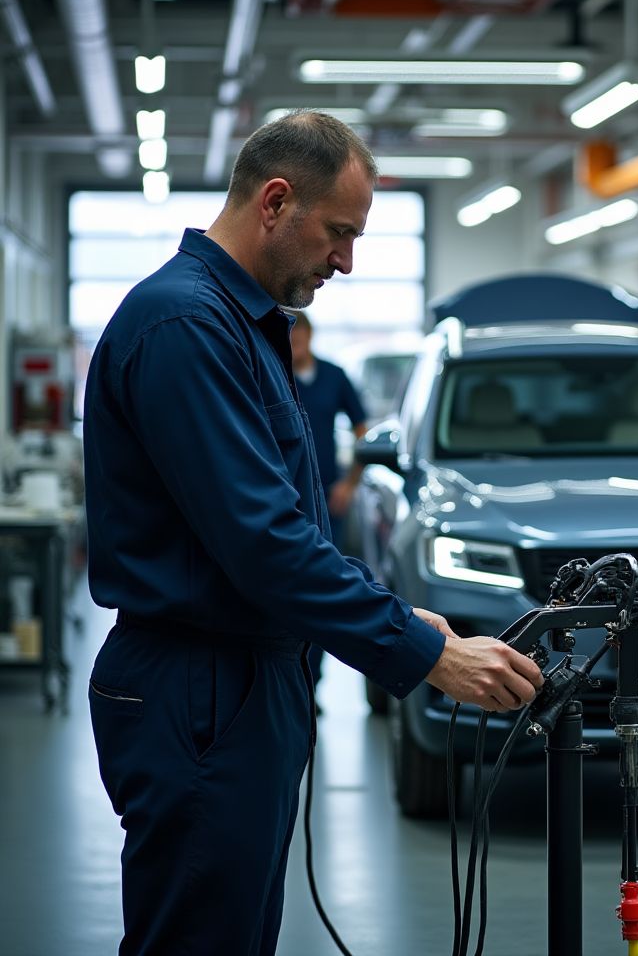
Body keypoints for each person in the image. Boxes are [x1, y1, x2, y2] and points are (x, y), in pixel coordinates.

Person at [83, 110, 543, 956]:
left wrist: (408, 620)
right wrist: (426, 655)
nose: (347, 260)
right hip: (202, 691)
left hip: (244, 682)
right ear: (275, 201)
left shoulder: (241, 326)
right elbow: (265, 545)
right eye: (338, 233)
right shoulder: (187, 328)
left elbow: (287, 522)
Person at [289, 310, 368, 703]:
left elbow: (362, 432)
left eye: (301, 339)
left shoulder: (334, 376)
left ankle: (311, 683)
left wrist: (349, 484)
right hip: (284, 495)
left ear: (310, 338)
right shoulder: (273, 374)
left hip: (324, 499)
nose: (295, 346)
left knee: (323, 581)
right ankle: (290, 680)